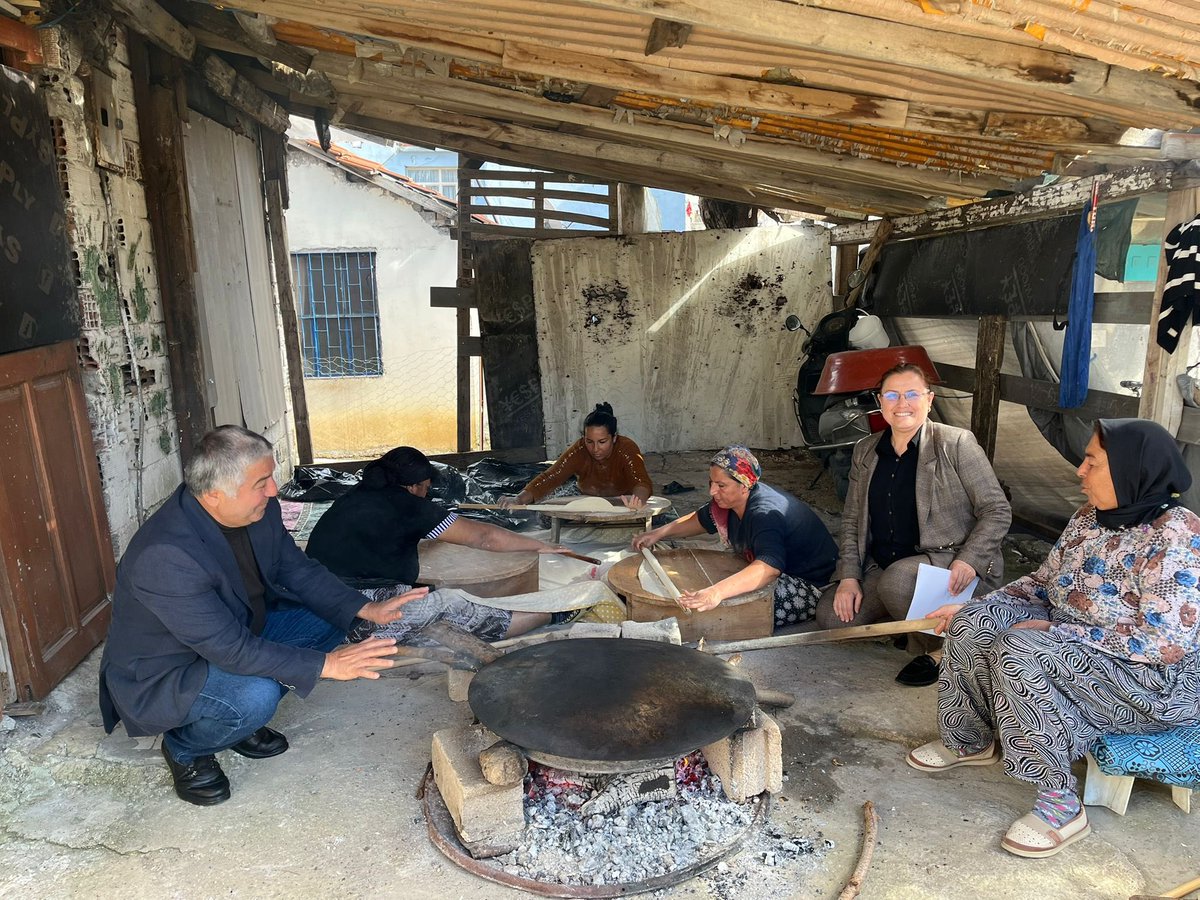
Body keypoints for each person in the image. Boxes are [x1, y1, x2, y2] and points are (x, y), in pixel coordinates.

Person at [907, 419, 1200, 858]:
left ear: (1130, 469)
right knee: (974, 623)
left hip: (1149, 679)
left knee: (1019, 650)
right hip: (1069, 631)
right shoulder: (1089, 517)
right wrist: (973, 607)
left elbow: (1163, 643)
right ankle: (969, 739)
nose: (1080, 471)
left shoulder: (1176, 535)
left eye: (1092, 462)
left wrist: (1057, 631)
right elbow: (1045, 582)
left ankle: (1061, 805)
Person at [98, 426, 418, 807]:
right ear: (215, 494)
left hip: (235, 631)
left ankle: (234, 725)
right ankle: (186, 748)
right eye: (261, 482)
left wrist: (364, 607)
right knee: (255, 697)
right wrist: (327, 664)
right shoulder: (164, 556)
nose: (273, 491)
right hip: (170, 669)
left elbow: (296, 569)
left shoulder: (258, 512)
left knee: (331, 618)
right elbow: (230, 650)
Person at [814, 362, 1011, 686]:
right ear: (880, 400)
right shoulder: (866, 450)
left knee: (897, 582)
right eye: (892, 394)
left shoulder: (956, 443)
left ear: (929, 400)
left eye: (912, 394)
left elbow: (997, 510)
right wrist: (849, 577)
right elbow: (851, 520)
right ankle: (911, 619)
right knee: (833, 618)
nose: (901, 403)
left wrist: (970, 559)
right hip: (886, 565)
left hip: (949, 562)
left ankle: (945, 650)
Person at [306, 446, 580, 641]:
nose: (427, 493)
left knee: (426, 591)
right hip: (345, 620)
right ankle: (551, 616)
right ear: (413, 486)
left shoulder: (356, 494)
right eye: (426, 487)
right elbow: (483, 538)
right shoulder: (410, 507)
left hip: (315, 598)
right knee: (450, 604)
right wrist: (537, 545)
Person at [631, 445, 837, 627]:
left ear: (744, 485)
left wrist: (716, 592)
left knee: (725, 611)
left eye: (721, 486)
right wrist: (658, 533)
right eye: (711, 482)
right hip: (777, 568)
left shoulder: (764, 514)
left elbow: (769, 567)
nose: (712, 491)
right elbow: (702, 519)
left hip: (811, 583)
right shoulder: (729, 503)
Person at [500, 402, 652, 510]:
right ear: (583, 438)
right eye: (589, 441)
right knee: (545, 516)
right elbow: (552, 476)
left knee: (653, 516)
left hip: (621, 500)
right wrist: (518, 499)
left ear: (614, 438)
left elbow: (641, 483)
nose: (595, 449)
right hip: (584, 496)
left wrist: (636, 502)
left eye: (602, 442)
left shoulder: (627, 448)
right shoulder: (579, 450)